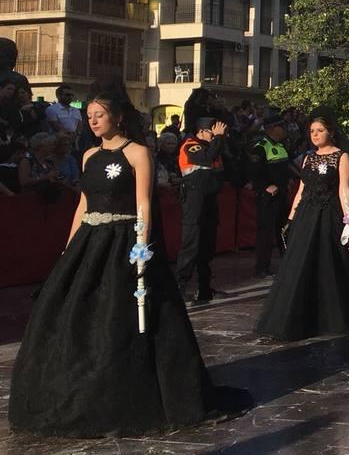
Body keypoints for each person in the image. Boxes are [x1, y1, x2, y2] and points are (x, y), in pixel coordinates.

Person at [8, 86, 250, 436]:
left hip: (124, 240)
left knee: (123, 315)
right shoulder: (89, 156)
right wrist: (68, 248)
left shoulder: (138, 153)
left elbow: (144, 203)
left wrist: (141, 244)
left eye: (99, 115)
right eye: (89, 116)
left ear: (118, 116)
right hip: (89, 242)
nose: (93, 121)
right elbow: (83, 205)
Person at [255, 109, 349, 340]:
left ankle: (348, 313)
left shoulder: (341, 157)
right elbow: (302, 189)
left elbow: (344, 188)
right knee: (300, 266)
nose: (315, 135)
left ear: (331, 132)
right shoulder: (307, 157)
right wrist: (292, 218)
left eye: (320, 130)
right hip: (306, 216)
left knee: (337, 262)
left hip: (331, 215)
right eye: (312, 131)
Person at [176, 117, 227, 304]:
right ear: (202, 131)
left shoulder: (215, 148)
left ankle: (204, 288)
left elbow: (221, 170)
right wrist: (218, 140)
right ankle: (180, 287)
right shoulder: (191, 146)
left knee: (207, 248)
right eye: (213, 133)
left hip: (209, 201)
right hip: (194, 202)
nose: (217, 137)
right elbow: (205, 159)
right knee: (191, 245)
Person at [248, 117, 292, 279]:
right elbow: (254, 171)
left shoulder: (281, 146)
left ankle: (288, 262)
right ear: (271, 129)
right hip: (267, 197)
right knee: (265, 233)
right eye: (281, 126)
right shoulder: (260, 148)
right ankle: (262, 267)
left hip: (281, 195)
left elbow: (285, 168)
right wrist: (265, 186)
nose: (284, 130)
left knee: (285, 230)